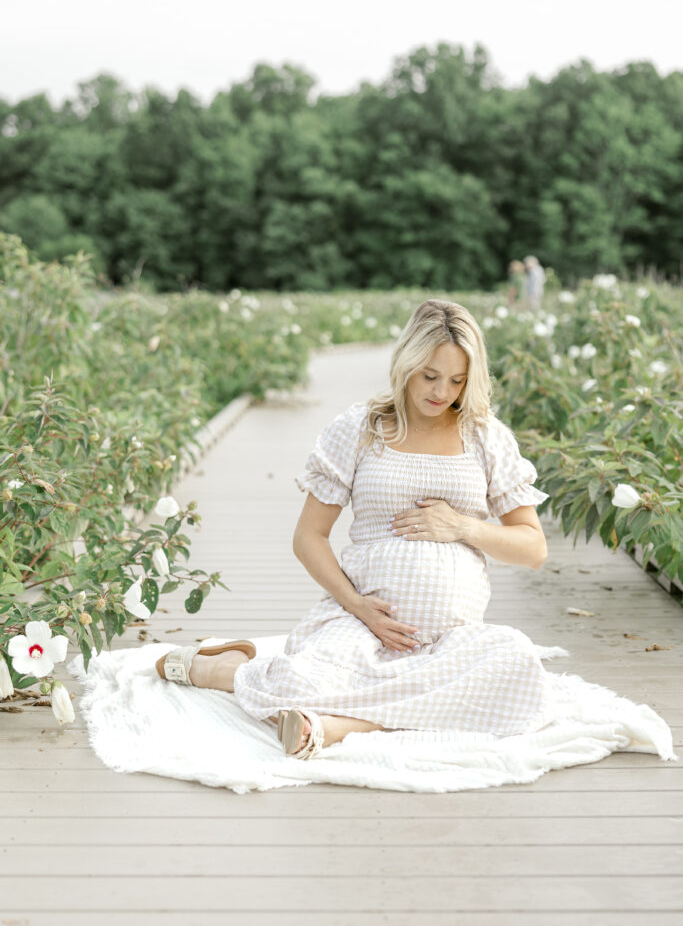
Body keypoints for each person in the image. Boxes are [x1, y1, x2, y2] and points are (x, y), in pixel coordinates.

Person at [156, 299, 554, 759]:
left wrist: (462, 525)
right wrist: (360, 608)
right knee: (298, 679)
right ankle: (224, 670)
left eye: (457, 380)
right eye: (430, 375)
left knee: (519, 667)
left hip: (451, 639)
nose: (442, 391)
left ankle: (334, 724)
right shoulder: (360, 429)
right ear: (406, 363)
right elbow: (309, 537)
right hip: (361, 624)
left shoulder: (486, 437)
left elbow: (533, 548)